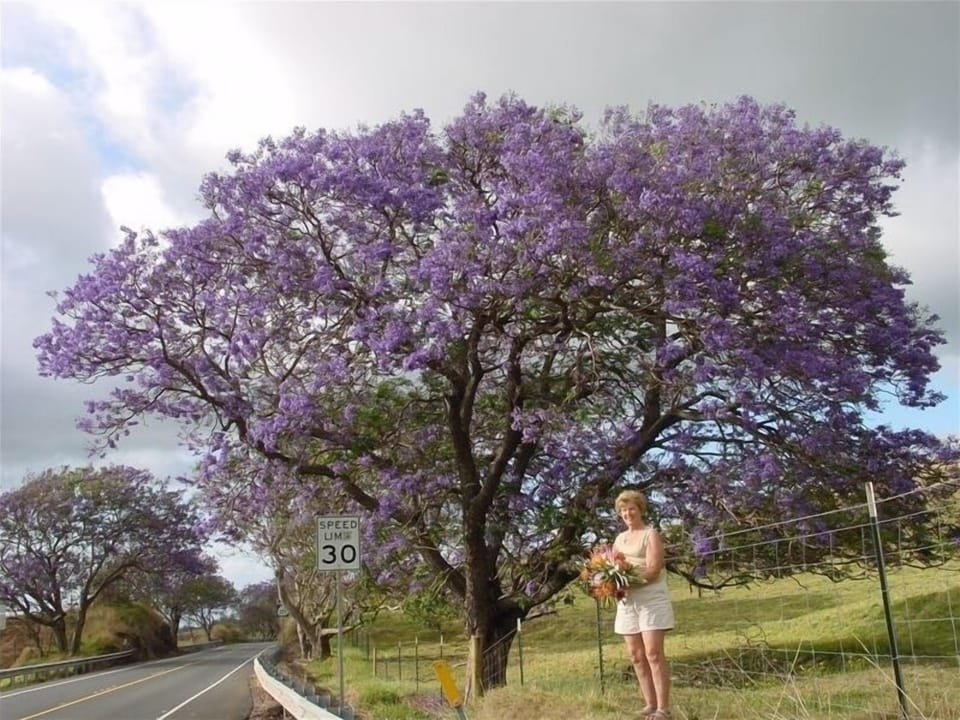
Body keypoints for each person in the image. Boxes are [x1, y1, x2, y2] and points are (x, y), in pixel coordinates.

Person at [612, 489, 675, 719]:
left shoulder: (651, 535)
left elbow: (653, 570)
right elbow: (613, 567)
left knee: (653, 653)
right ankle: (649, 704)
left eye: (631, 508)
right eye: (623, 510)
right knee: (636, 655)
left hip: (651, 600)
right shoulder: (620, 539)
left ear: (640, 510)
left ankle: (663, 709)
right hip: (628, 602)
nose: (627, 513)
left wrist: (628, 580)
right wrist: (610, 583)